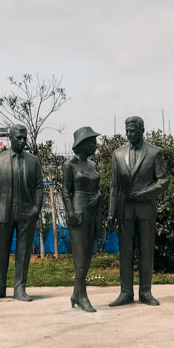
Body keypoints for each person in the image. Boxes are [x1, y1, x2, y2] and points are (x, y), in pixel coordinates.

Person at [108, 116, 169, 306]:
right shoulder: (117, 154)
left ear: (142, 130)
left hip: (145, 210)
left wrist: (144, 194)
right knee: (125, 253)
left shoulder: (155, 153)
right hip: (124, 211)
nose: (128, 134)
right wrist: (111, 213)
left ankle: (145, 292)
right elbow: (114, 187)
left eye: (132, 131)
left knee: (146, 252)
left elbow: (163, 181)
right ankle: (125, 292)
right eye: (126, 131)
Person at [0, 124, 44, 302]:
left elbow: (39, 187)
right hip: (4, 213)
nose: (23, 141)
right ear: (10, 138)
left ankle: (20, 288)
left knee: (24, 252)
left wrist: (36, 209)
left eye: (24, 137)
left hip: (27, 213)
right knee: (1, 251)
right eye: (19, 137)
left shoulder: (33, 161)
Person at [61, 126, 103, 312]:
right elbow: (65, 191)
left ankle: (76, 294)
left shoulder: (93, 165)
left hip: (93, 211)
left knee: (87, 255)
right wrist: (70, 213)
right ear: (82, 144)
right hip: (78, 211)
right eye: (92, 141)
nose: (95, 145)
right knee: (80, 257)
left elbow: (96, 186)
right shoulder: (69, 165)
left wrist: (99, 195)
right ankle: (82, 295)